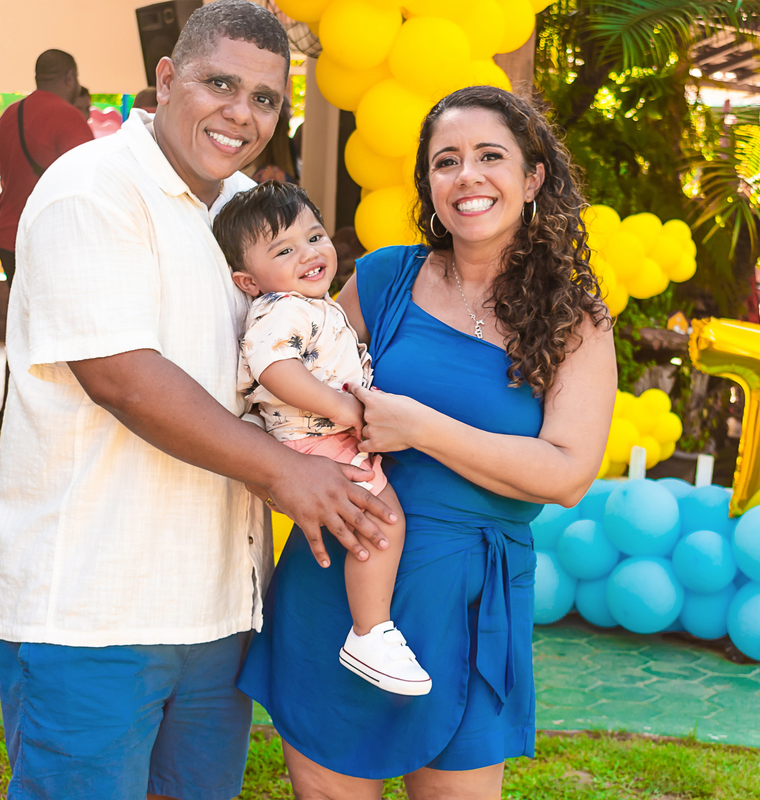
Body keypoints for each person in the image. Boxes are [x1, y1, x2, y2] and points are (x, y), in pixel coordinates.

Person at [0, 3, 396, 798]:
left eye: (266, 99)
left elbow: (299, 336)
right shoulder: (92, 190)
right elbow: (123, 376)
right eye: (220, 83)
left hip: (217, 608)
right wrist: (285, 471)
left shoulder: (247, 211)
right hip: (94, 612)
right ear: (166, 79)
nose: (241, 113)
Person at [238, 85, 617, 798]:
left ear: (533, 178)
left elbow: (566, 474)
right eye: (446, 161)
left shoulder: (577, 320)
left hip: (469, 605)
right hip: (343, 584)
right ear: (430, 186)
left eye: (490, 156)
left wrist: (420, 429)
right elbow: (291, 383)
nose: (467, 176)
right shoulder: (383, 278)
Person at [214, 181, 427, 696]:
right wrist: (344, 408)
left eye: (314, 237)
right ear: (248, 279)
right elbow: (275, 368)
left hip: (323, 437)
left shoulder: (316, 305)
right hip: (312, 442)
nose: (309, 254)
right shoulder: (281, 308)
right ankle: (370, 631)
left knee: (375, 524)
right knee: (384, 524)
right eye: (284, 250)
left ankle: (371, 627)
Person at [0, 48, 94, 433]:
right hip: (52, 238)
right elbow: (87, 185)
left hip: (8, 235)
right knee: (55, 332)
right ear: (69, 77)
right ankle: (41, 420)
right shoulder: (67, 117)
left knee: (21, 329)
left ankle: (8, 413)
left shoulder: (7, 117)